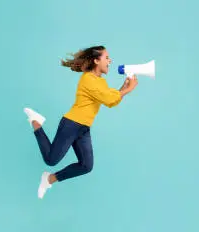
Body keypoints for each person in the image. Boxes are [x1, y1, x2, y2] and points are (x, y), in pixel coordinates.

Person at [23, 45, 138, 199]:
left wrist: (122, 88)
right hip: (71, 124)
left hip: (83, 128)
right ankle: (36, 122)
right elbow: (109, 98)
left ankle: (50, 179)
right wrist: (128, 89)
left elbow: (111, 101)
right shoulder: (88, 79)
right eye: (107, 57)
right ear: (96, 60)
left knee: (86, 166)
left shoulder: (100, 82)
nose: (110, 61)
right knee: (51, 160)